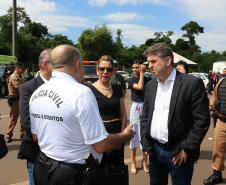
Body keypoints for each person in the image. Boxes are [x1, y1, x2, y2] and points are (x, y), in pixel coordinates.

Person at [29, 45, 134, 185]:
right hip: (72, 172)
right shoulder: (81, 93)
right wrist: (124, 136)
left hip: (42, 166)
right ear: (78, 64)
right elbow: (100, 145)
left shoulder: (37, 93)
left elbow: (36, 136)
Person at [140, 42, 210, 185]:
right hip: (154, 151)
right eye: (148, 62)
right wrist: (145, 142)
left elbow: (201, 120)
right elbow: (145, 116)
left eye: (153, 61)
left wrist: (187, 149)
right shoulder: (150, 85)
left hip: (178, 152)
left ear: (168, 61)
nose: (149, 66)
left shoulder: (191, 83)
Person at [88, 55, 128, 184]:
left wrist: (120, 138)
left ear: (114, 71)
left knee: (116, 174)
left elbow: (123, 115)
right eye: (102, 69)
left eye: (109, 69)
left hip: (117, 138)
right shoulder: (88, 90)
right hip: (99, 140)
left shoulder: (117, 89)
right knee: (98, 174)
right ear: (97, 70)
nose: (105, 72)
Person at [18, 49, 52, 185]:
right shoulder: (28, 87)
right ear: (44, 64)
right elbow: (26, 120)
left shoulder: (61, 87)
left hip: (59, 153)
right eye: (55, 62)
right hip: (37, 150)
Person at [203, 68, 226, 185]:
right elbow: (214, 97)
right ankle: (217, 175)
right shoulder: (221, 82)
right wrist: (210, 107)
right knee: (218, 149)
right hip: (222, 122)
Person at [128, 60, 150, 174]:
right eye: (134, 68)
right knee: (134, 133)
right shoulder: (131, 79)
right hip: (136, 106)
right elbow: (140, 87)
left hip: (146, 106)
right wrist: (142, 74)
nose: (136, 69)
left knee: (145, 134)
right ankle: (133, 162)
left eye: (138, 67)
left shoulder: (149, 79)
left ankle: (144, 161)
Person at [5, 62, 26, 143]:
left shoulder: (19, 76)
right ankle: (8, 134)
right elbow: (21, 88)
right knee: (13, 118)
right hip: (15, 100)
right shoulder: (14, 77)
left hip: (20, 99)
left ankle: (22, 133)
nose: (24, 70)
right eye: (23, 68)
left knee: (23, 118)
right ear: (18, 68)